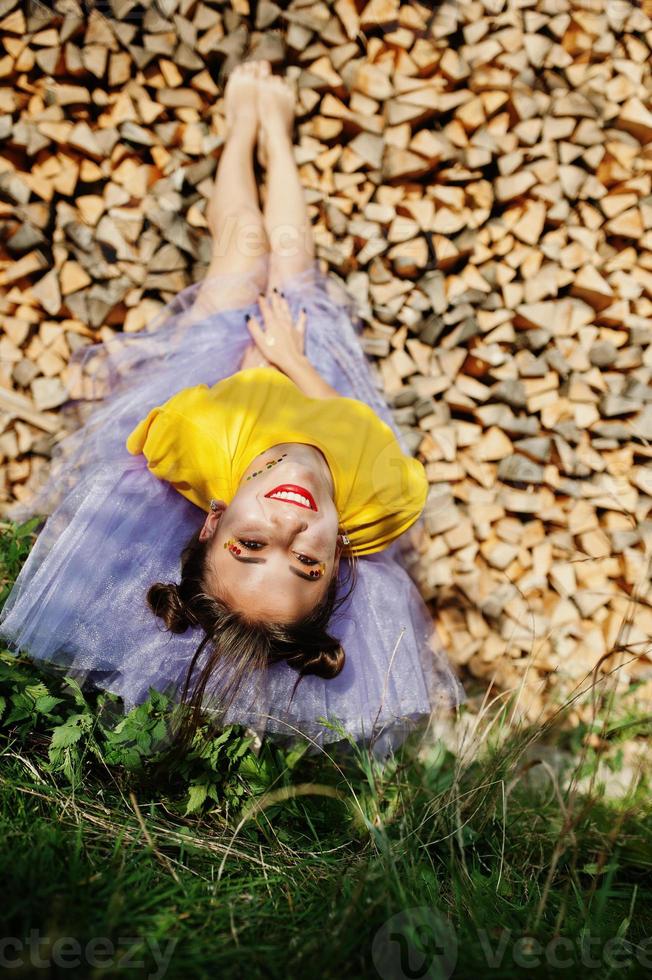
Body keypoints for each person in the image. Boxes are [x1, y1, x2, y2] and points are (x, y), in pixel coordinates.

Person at [0, 61, 464, 758]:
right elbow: (359, 429)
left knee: (246, 251)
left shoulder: (203, 444)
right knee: (294, 259)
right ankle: (276, 136)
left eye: (250, 546)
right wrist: (294, 359)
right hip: (309, 372)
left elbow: (157, 421)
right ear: (341, 555)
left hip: (223, 365)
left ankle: (242, 124)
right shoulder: (379, 502)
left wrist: (245, 378)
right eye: (308, 565)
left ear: (213, 519)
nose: (290, 528)